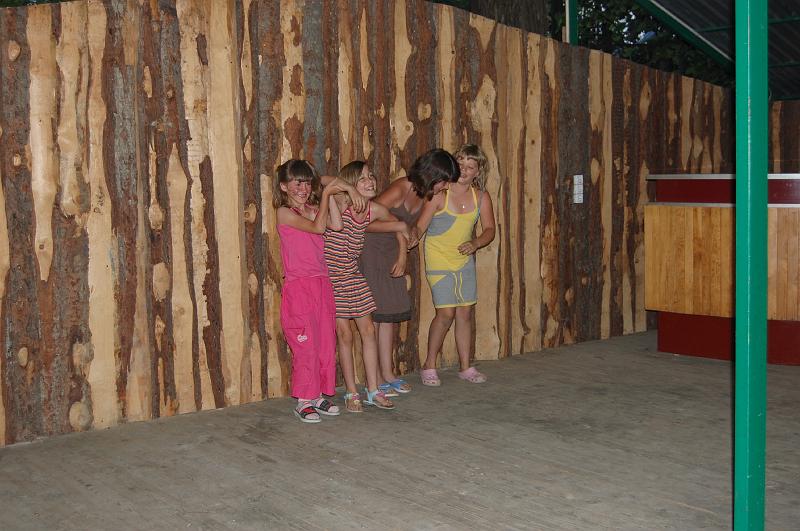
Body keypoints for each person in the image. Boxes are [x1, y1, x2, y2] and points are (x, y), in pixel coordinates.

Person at [359, 149, 460, 396]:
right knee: (378, 315)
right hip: (373, 250)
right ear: (431, 174)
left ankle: (388, 373)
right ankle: (376, 377)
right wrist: (400, 226)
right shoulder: (401, 188)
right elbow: (364, 221)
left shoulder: (429, 195)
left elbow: (415, 229)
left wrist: (410, 235)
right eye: (444, 181)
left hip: (394, 252)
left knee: (389, 315)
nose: (446, 186)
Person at [274, 159, 355, 423]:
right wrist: (329, 192)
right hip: (299, 287)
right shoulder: (284, 213)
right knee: (305, 345)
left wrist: (330, 191)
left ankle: (317, 395)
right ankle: (304, 400)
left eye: (307, 183)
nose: (303, 189)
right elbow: (319, 228)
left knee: (324, 344)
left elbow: (337, 225)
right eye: (297, 183)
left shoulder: (311, 209)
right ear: (284, 186)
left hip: (322, 284)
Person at [324, 160, 408, 412]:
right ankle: (351, 392)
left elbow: (399, 226)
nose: (370, 181)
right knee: (345, 335)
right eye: (362, 178)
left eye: (371, 176)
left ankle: (373, 389)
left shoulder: (375, 210)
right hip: (332, 278)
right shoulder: (340, 202)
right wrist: (348, 189)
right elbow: (321, 180)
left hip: (352, 275)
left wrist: (402, 253)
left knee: (369, 330)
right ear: (350, 183)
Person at [414, 144, 496, 386]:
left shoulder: (481, 197)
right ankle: (429, 365)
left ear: (478, 172)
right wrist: (405, 239)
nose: (464, 170)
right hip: (439, 259)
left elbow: (490, 229)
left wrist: (476, 243)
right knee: (445, 313)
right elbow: (420, 226)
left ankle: (465, 366)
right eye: (461, 164)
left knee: (465, 312)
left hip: (464, 261)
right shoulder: (441, 193)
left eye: (471, 166)